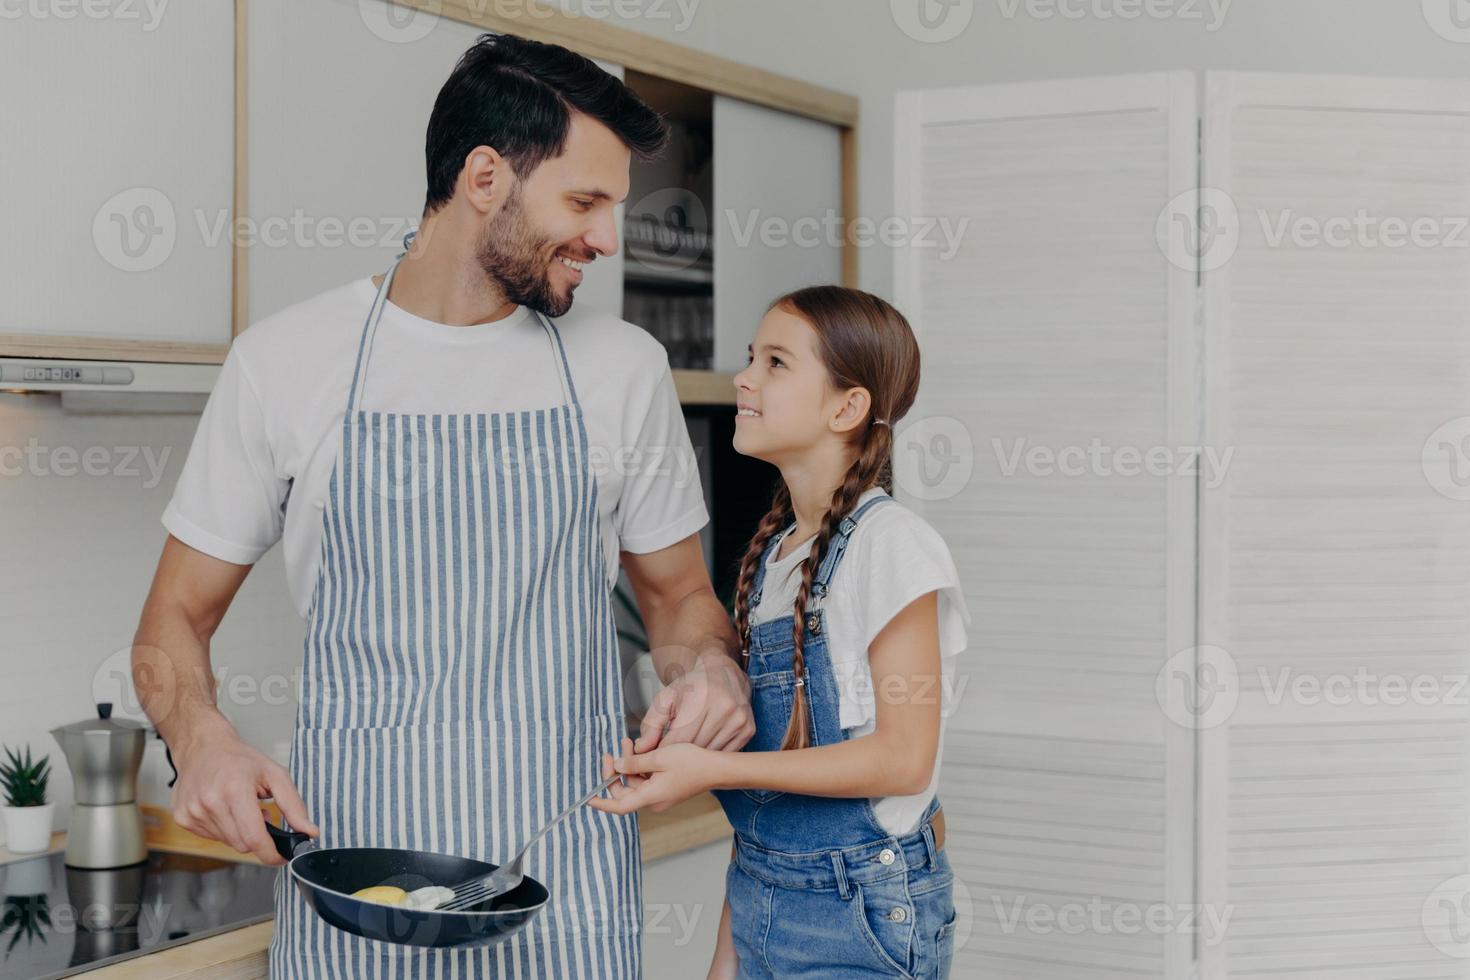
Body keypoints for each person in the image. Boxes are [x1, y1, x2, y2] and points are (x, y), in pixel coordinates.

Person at [130, 33, 753, 979]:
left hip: (566, 895)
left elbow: (678, 601)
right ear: (485, 176)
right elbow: (171, 619)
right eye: (585, 202)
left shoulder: (625, 370)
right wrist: (202, 739)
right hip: (355, 902)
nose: (606, 238)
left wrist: (710, 671)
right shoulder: (285, 364)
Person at [590, 286, 971, 978]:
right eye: (749, 358)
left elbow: (903, 759)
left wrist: (713, 770)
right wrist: (724, 961)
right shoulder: (773, 559)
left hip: (861, 919)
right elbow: (764, 825)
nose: (744, 378)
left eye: (775, 363)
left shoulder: (891, 546)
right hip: (764, 906)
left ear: (846, 407)